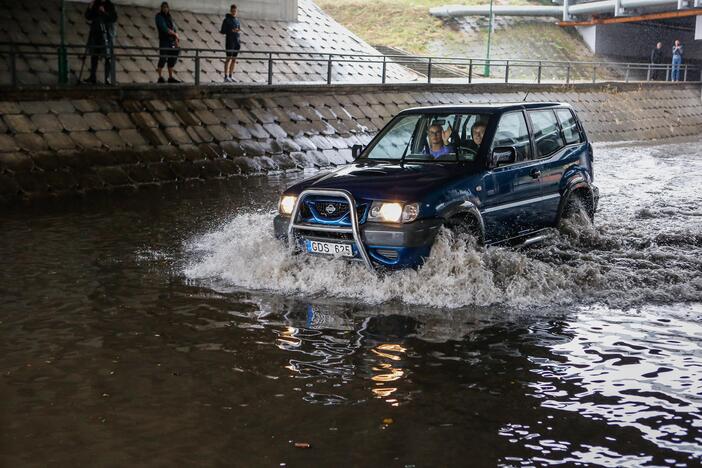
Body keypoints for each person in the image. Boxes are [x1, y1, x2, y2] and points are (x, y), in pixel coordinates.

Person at [84, 0, 117, 85]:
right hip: (95, 33)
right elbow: (88, 17)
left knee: (107, 56)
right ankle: (92, 77)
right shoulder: (95, 4)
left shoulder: (110, 5)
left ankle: (107, 78)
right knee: (94, 55)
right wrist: (89, 8)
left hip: (106, 34)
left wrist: (104, 12)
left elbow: (113, 18)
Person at [155, 2, 180, 83]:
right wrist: (174, 34)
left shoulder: (169, 17)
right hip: (164, 40)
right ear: (161, 8)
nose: (165, 8)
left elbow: (174, 28)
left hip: (171, 41)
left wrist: (176, 38)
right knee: (163, 58)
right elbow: (164, 28)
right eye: (164, 7)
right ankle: (160, 77)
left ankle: (170, 77)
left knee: (172, 59)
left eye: (166, 7)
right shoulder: (159, 16)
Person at [220, 4, 241, 83]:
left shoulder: (237, 20)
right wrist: (231, 30)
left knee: (234, 60)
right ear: (230, 11)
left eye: (235, 11)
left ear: (236, 11)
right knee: (228, 58)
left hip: (237, 42)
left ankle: (231, 76)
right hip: (229, 41)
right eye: (232, 11)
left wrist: (237, 30)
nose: (234, 12)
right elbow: (222, 31)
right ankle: (225, 77)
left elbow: (239, 29)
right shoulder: (226, 20)